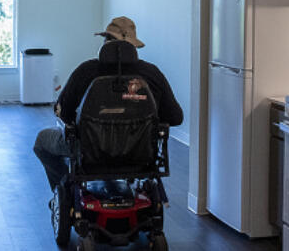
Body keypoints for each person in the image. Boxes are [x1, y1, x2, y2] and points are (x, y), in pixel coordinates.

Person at [33, 16, 183, 191]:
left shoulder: (86, 70)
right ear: (133, 46)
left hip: (89, 153)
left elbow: (64, 113)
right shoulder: (151, 74)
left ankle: (65, 187)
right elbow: (175, 117)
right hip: (140, 155)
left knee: (42, 140)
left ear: (106, 42)